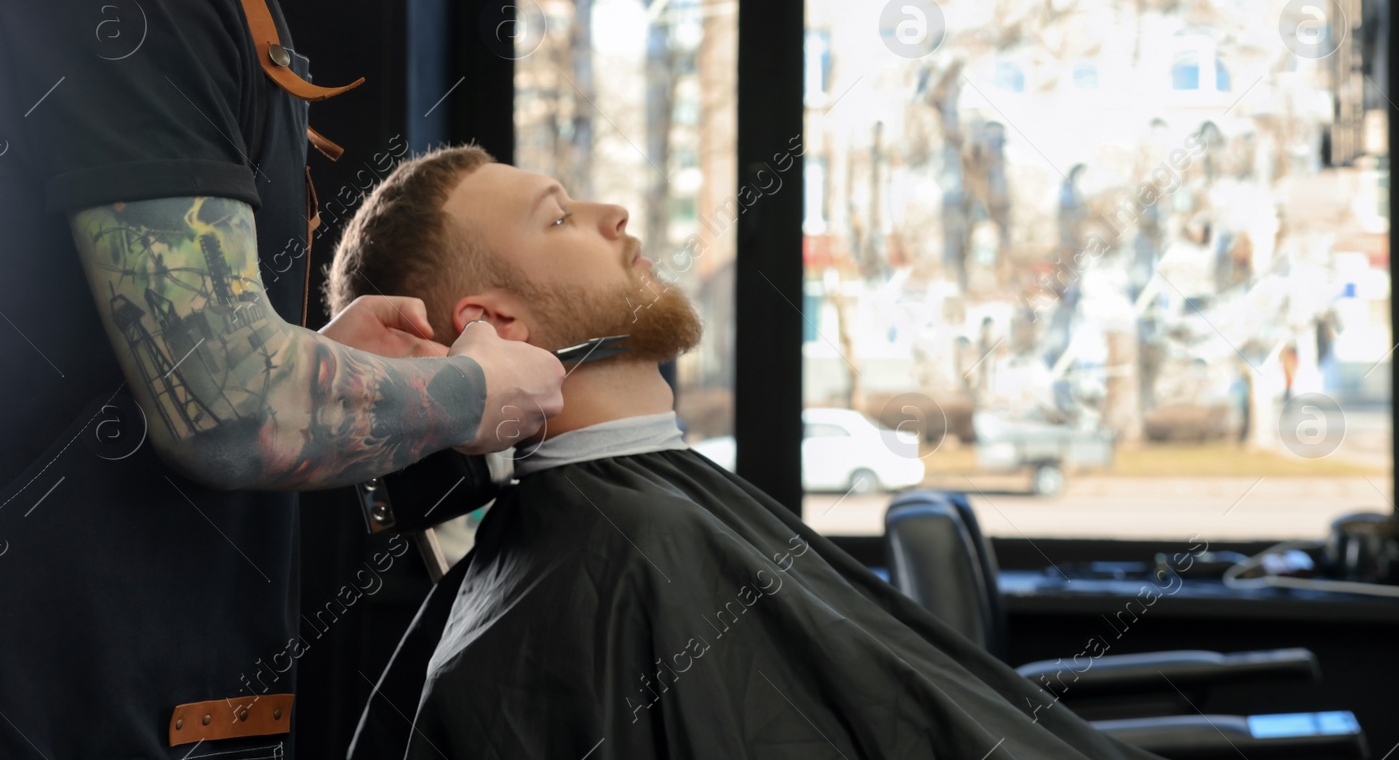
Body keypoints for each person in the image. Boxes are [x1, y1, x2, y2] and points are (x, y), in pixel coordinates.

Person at [0, 0, 591, 756]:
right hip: (13, 693)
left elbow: (141, 364)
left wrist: (319, 360)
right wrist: (466, 393)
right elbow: (227, 405)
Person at [331, 145, 1159, 760]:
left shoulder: (640, 525)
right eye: (558, 216)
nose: (613, 211)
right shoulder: (623, 554)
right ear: (499, 324)